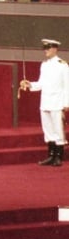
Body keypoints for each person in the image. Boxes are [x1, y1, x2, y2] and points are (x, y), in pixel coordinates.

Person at [19, 38, 69, 166]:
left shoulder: (62, 65)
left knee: (58, 130)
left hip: (57, 102)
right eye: (44, 48)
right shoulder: (44, 65)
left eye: (48, 48)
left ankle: (58, 157)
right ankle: (51, 155)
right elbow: (41, 84)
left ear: (55, 48)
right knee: (48, 130)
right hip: (45, 101)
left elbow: (67, 86)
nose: (45, 50)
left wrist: (66, 103)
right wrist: (30, 84)